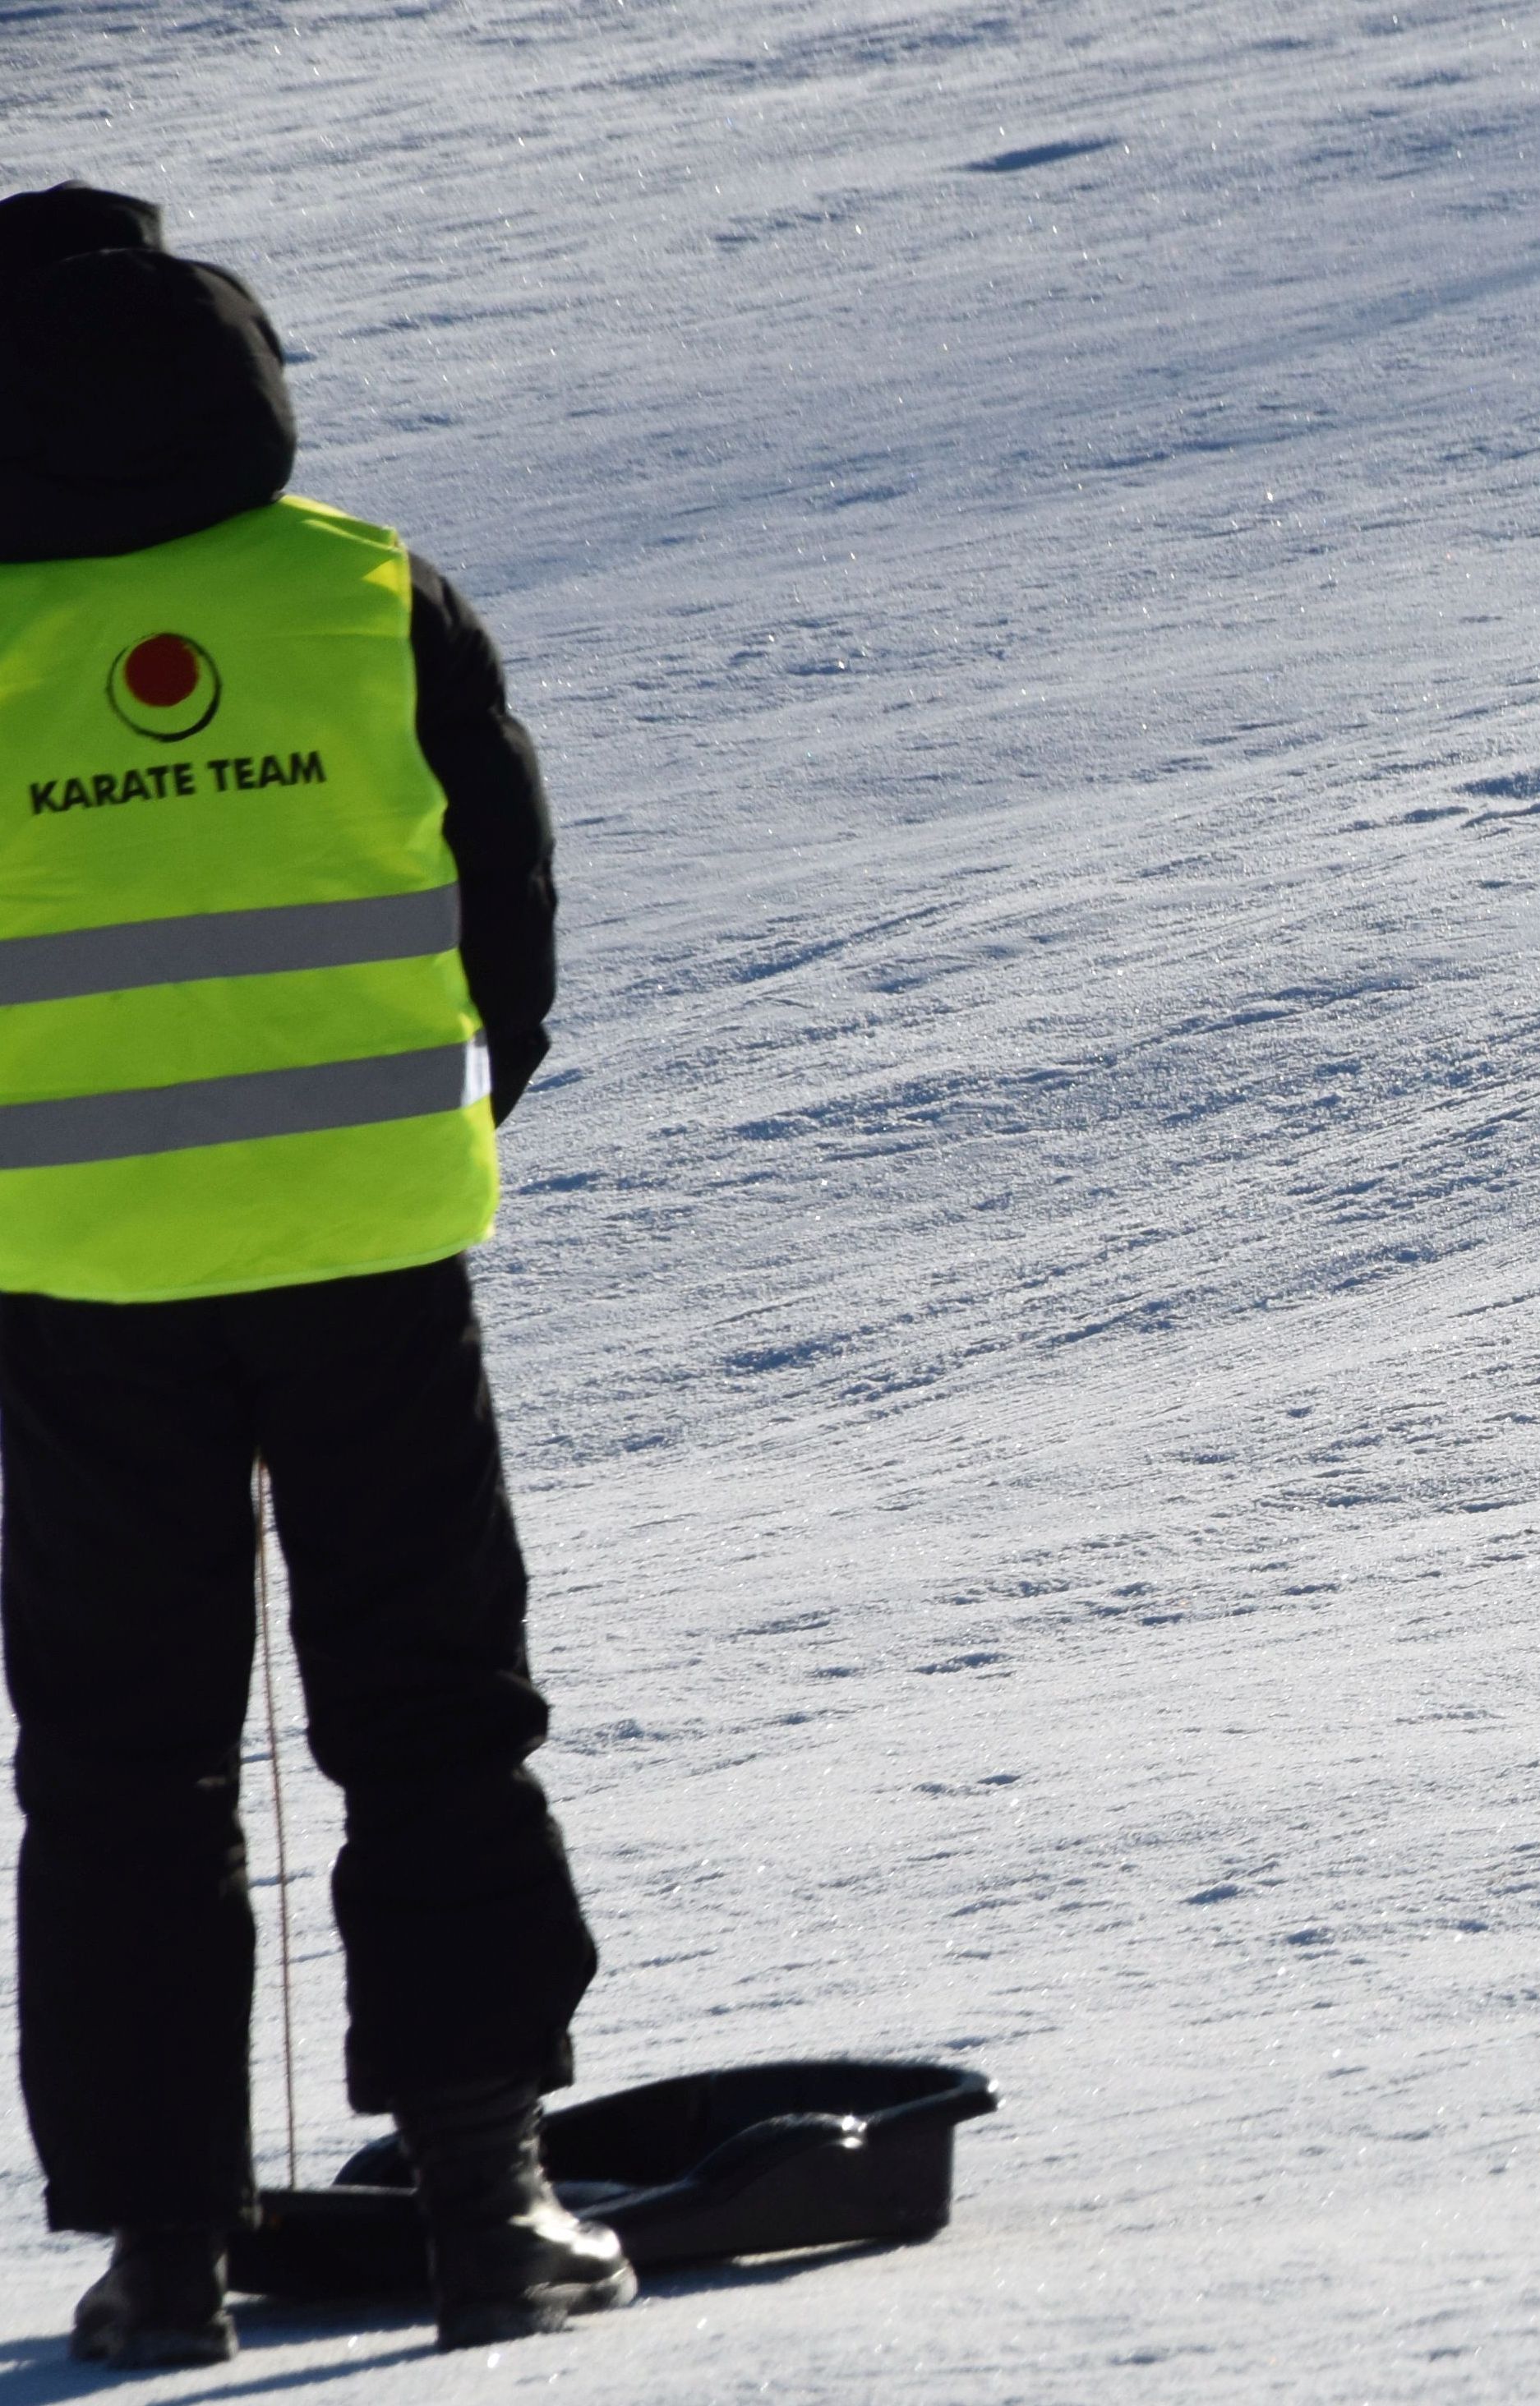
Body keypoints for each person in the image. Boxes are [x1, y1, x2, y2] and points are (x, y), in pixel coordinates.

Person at [0, 184, 631, 2361]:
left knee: (118, 1766)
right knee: (432, 1708)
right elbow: (505, 892)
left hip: (72, 1275)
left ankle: (163, 2268)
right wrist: (443, 1117)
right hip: (369, 1248)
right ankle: (489, 2209)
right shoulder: (369, 596)